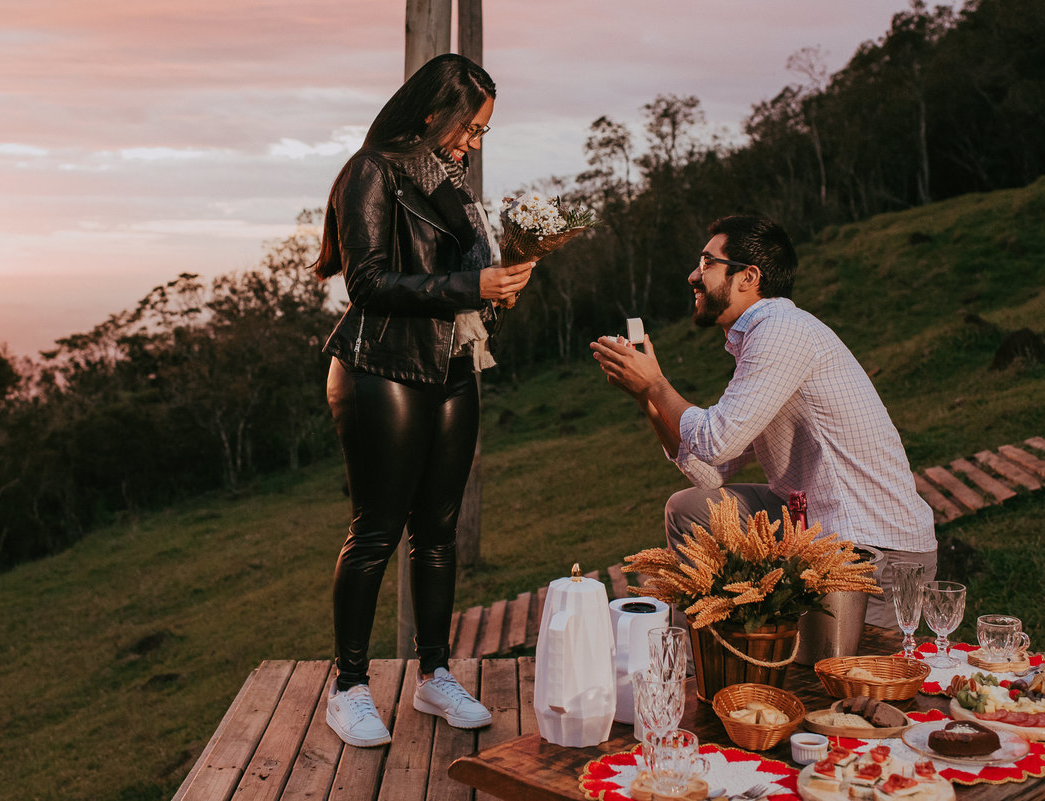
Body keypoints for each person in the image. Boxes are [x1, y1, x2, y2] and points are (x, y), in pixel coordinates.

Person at [312, 54, 535, 748]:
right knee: (376, 530)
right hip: (380, 366)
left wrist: (501, 283)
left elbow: (461, 278)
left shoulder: (453, 186)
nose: (473, 142)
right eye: (470, 127)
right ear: (435, 110)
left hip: (452, 366)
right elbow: (369, 283)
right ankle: (348, 686)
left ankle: (434, 675)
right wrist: (473, 289)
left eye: (482, 133)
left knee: (437, 533)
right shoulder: (370, 170)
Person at [590, 215, 936, 634]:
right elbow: (709, 475)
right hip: (817, 531)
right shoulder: (763, 339)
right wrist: (648, 397)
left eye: (706, 262)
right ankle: (716, 653)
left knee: (840, 682)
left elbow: (716, 441)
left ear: (747, 277)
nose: (693, 276)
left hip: (874, 550)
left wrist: (658, 384)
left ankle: (735, 656)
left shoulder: (781, 332)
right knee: (690, 509)